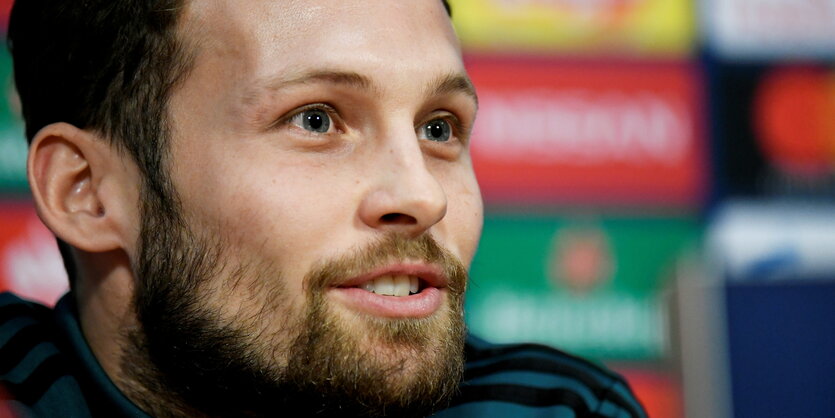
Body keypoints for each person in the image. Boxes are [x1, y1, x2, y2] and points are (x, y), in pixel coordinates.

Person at [0, 0, 647, 416]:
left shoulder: (558, 410)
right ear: (83, 191)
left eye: (439, 128)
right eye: (316, 119)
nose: (422, 196)